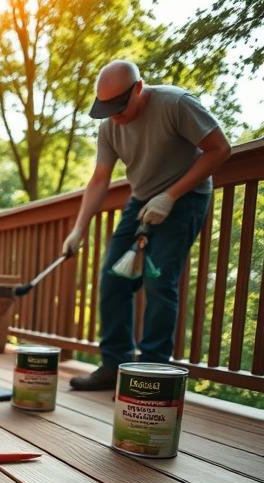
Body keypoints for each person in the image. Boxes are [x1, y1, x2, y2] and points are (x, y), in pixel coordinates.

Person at [62, 61, 231, 390]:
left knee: (158, 279)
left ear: (139, 88)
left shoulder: (176, 104)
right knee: (112, 277)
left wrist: (170, 196)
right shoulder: (110, 126)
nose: (115, 116)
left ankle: (150, 376)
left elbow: (220, 149)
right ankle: (114, 364)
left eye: (119, 107)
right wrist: (78, 228)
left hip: (187, 197)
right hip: (140, 201)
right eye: (106, 109)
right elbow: (99, 179)